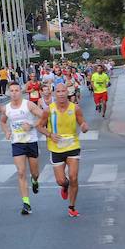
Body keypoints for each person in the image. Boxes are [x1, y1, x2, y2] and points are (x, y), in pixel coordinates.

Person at [37, 83, 89, 217]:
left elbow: (82, 122)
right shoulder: (49, 110)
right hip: (56, 148)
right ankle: (64, 186)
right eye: (58, 91)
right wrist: (50, 134)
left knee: (73, 177)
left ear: (67, 92)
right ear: (55, 94)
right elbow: (40, 126)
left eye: (63, 91)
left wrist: (84, 126)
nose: (60, 94)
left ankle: (71, 207)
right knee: (61, 181)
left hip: (72, 146)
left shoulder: (75, 108)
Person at [1, 82, 42, 215]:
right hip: (17, 143)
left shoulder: (28, 104)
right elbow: (2, 121)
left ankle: (35, 181)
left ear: (21, 91)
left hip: (31, 141)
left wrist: (31, 125)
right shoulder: (6, 108)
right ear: (8, 92)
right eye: (11, 90)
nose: (14, 93)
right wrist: (7, 131)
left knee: (34, 172)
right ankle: (26, 203)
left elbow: (43, 116)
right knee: (21, 172)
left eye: (16, 90)